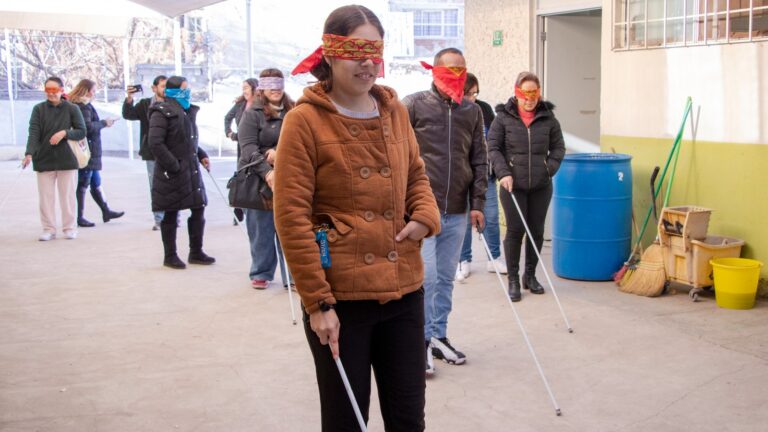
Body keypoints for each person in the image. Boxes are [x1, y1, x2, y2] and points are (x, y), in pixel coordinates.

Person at [274, 5, 440, 431]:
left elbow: (416, 173)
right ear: (329, 53)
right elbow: (291, 216)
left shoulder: (393, 111)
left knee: (408, 417)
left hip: (404, 290)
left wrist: (423, 215)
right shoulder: (304, 121)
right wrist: (317, 304)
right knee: (347, 420)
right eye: (355, 49)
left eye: (374, 50)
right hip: (341, 299)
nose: (367, 61)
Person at [403, 48, 487, 375]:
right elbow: (397, 155)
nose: (455, 75)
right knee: (426, 276)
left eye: (461, 70)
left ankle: (438, 335)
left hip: (458, 210)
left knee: (446, 279)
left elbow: (480, 159)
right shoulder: (412, 105)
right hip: (421, 211)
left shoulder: (472, 111)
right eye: (448, 69)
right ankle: (419, 341)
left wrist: (478, 204)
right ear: (435, 71)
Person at [488, 71, 565, 302]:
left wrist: (547, 168)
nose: (529, 98)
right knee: (515, 231)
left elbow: (559, 148)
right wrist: (503, 173)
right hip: (513, 185)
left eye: (534, 93)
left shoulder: (549, 118)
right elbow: (493, 147)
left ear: (539, 94)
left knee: (536, 231)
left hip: (541, 185)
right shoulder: (503, 118)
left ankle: (529, 276)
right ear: (516, 93)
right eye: (525, 93)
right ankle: (512, 279)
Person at [148, 75, 215, 269]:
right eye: (184, 89)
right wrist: (174, 165)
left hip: (191, 169)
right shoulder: (160, 112)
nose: (187, 93)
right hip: (173, 171)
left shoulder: (186, 111)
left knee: (198, 208)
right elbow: (155, 143)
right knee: (170, 212)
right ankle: (170, 256)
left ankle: (196, 251)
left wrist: (200, 153)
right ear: (174, 91)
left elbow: (188, 139)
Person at [236, 69, 294, 289]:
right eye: (270, 85)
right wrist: (268, 171)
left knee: (290, 227)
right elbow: (248, 147)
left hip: (289, 175)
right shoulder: (252, 113)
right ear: (262, 87)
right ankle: (261, 270)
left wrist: (280, 152)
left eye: (278, 84)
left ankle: (294, 275)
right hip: (259, 179)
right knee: (261, 227)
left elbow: (301, 138)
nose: (275, 89)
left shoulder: (293, 109)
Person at [456, 72, 507, 281]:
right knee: (464, 220)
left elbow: (494, 139)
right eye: (468, 94)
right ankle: (463, 260)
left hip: (485, 175)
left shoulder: (484, 109)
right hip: (461, 177)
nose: (473, 98)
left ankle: (493, 257)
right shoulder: (453, 111)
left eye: (475, 93)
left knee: (491, 217)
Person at [22, 77, 87, 241]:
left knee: (67, 196)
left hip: (67, 158)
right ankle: (48, 228)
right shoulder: (38, 109)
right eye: (47, 90)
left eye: (54, 90)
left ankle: (69, 227)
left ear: (61, 90)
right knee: (45, 197)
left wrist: (65, 133)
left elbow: (81, 131)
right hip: (43, 158)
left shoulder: (72, 109)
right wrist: (29, 153)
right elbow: (34, 133)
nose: (51, 94)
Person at [68, 79, 124, 228]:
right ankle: (79, 217)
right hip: (88, 150)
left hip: (89, 149)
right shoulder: (83, 107)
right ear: (86, 91)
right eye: (93, 90)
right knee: (84, 183)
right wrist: (104, 123)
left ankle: (106, 210)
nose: (94, 93)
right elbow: (86, 128)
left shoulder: (78, 105)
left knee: (95, 182)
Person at [123, 75, 167, 230]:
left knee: (173, 184)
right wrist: (129, 98)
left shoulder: (174, 104)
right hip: (152, 152)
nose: (165, 89)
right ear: (154, 88)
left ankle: (171, 216)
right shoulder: (145, 104)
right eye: (162, 86)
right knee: (155, 186)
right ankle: (159, 218)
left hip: (171, 152)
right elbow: (128, 115)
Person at [224, 78, 259, 225]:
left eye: (246, 87)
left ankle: (250, 207)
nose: (244, 91)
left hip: (256, 144)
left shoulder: (261, 103)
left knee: (255, 175)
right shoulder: (241, 104)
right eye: (242, 88)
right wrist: (229, 133)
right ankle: (238, 209)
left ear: (254, 88)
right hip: (242, 145)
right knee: (242, 175)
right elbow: (227, 118)